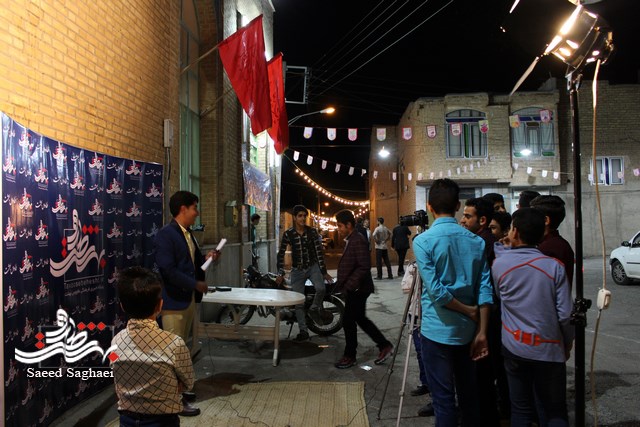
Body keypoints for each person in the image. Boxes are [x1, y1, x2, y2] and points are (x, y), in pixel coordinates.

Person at [413, 178, 494, 426]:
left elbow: (437, 292)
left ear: (429, 207)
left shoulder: (422, 241)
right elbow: (485, 288)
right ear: (458, 206)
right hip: (469, 333)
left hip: (436, 332)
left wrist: (468, 310)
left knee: (443, 401)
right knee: (469, 397)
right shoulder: (477, 241)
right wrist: (482, 331)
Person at [492, 208, 574, 426]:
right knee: (554, 411)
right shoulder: (554, 267)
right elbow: (565, 314)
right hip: (549, 347)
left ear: (515, 232)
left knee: (521, 409)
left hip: (514, 346)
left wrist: (504, 245)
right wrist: (567, 342)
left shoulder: (499, 266)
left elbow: (499, 296)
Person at [154, 191, 219, 412]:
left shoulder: (187, 233)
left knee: (181, 350)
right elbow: (168, 270)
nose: (197, 213)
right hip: (174, 302)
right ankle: (172, 401)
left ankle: (179, 390)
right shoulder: (166, 235)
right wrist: (195, 284)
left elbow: (193, 263)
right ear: (183, 209)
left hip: (188, 299)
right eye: (194, 208)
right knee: (172, 352)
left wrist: (207, 258)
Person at [111, 267, 197, 424]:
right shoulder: (175, 343)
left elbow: (116, 373)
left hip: (126, 419)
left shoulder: (115, 342)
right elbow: (189, 382)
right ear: (160, 305)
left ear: (122, 306)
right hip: (163, 420)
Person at [333, 209, 394, 369]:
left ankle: (350, 355)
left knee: (348, 321)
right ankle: (384, 345)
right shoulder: (351, 239)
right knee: (360, 318)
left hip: (359, 289)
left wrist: (349, 285)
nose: (338, 229)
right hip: (356, 288)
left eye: (340, 226)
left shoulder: (357, 239)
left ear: (348, 224)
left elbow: (363, 266)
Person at [276, 205, 333, 341]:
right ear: (295, 218)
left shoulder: (312, 232)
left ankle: (313, 308)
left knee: (321, 288)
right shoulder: (288, 234)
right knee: (299, 302)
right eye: (300, 216)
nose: (302, 218)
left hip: (312, 267)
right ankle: (303, 331)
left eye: (304, 216)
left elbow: (319, 252)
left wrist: (323, 271)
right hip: (297, 271)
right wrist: (280, 273)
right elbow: (281, 254)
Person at [530, 195, 575, 288]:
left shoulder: (547, 249)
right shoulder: (559, 244)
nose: (529, 221)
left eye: (532, 217)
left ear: (546, 220)